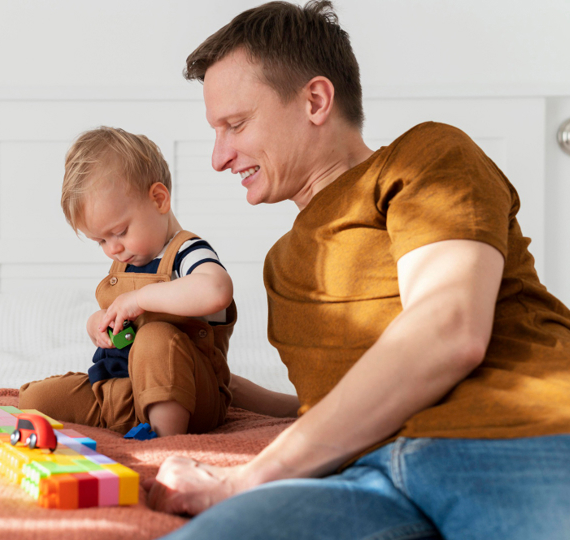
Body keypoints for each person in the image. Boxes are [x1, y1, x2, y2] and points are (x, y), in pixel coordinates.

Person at [143, 1, 570, 538]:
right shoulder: (283, 264)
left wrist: (242, 480)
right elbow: (327, 405)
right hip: (363, 478)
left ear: (316, 100)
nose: (219, 157)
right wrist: (207, 382)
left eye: (235, 124)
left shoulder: (426, 156)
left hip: (512, 435)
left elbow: (447, 330)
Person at [18, 127, 238, 437]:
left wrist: (139, 299)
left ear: (159, 199)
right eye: (101, 241)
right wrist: (98, 324)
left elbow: (216, 291)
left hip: (188, 399)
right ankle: (133, 422)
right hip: (122, 392)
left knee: (155, 338)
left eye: (119, 232)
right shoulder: (126, 260)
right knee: (35, 398)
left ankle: (165, 439)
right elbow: (116, 316)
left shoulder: (186, 251)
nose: (113, 248)